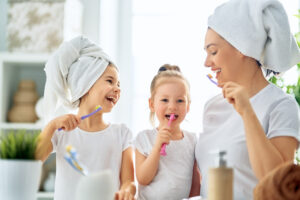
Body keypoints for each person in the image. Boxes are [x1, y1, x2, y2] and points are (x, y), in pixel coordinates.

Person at [195, 0, 300, 199]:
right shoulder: (212, 107)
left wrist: (247, 112)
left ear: (241, 47)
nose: (207, 62)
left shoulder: (281, 105)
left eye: (213, 51)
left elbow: (278, 183)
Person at [35, 36, 136, 200]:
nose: (117, 89)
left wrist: (127, 191)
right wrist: (52, 125)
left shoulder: (122, 134)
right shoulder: (61, 131)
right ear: (86, 85)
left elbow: (128, 182)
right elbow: (34, 159)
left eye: (119, 85)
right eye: (110, 81)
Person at [134, 64, 200, 200]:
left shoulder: (192, 140)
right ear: (152, 104)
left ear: (188, 107)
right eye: (164, 100)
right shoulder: (144, 138)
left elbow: (195, 184)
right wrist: (157, 146)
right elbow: (143, 179)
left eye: (180, 100)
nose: (172, 106)